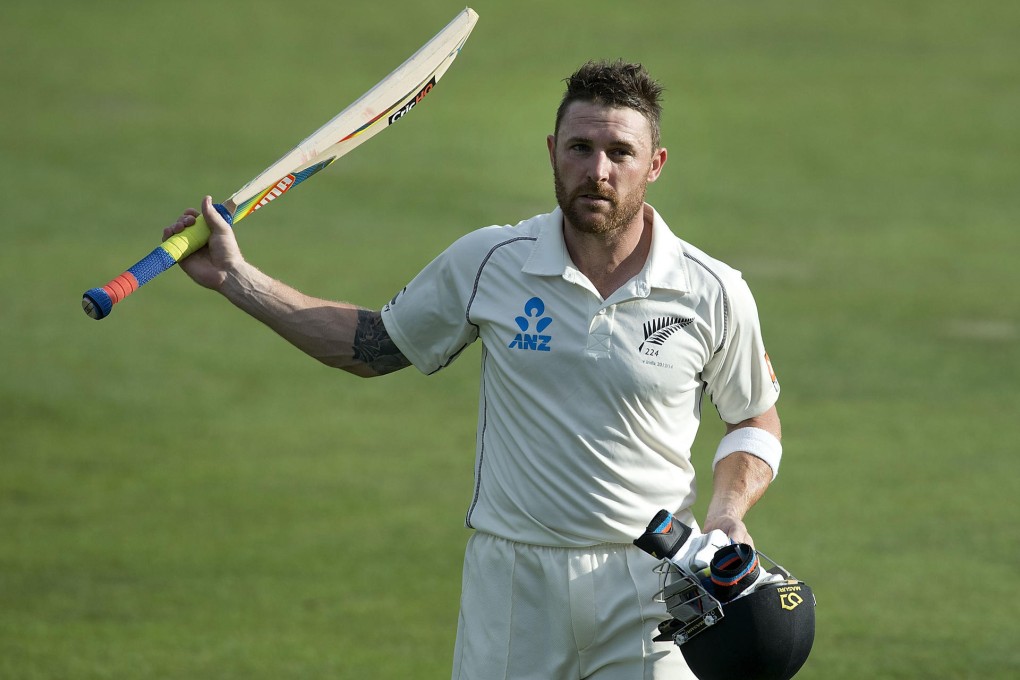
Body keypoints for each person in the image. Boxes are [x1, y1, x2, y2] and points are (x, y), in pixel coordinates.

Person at [165, 59, 784, 680]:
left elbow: (754, 414)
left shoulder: (712, 291)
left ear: (655, 165)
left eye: (620, 152)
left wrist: (729, 512)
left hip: (653, 592)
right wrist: (235, 280)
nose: (598, 171)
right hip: (514, 589)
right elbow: (372, 346)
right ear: (552, 152)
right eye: (580, 147)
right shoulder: (491, 261)